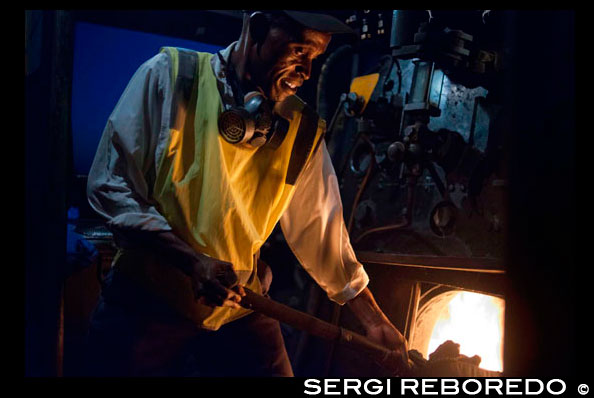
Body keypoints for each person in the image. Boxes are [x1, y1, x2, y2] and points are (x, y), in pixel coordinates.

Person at [85, 10, 409, 377]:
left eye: (315, 58)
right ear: (256, 28)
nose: (306, 71)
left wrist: (374, 321)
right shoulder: (170, 77)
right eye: (299, 51)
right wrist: (193, 262)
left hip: (238, 305)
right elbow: (111, 187)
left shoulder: (299, 130)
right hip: (148, 302)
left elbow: (324, 235)